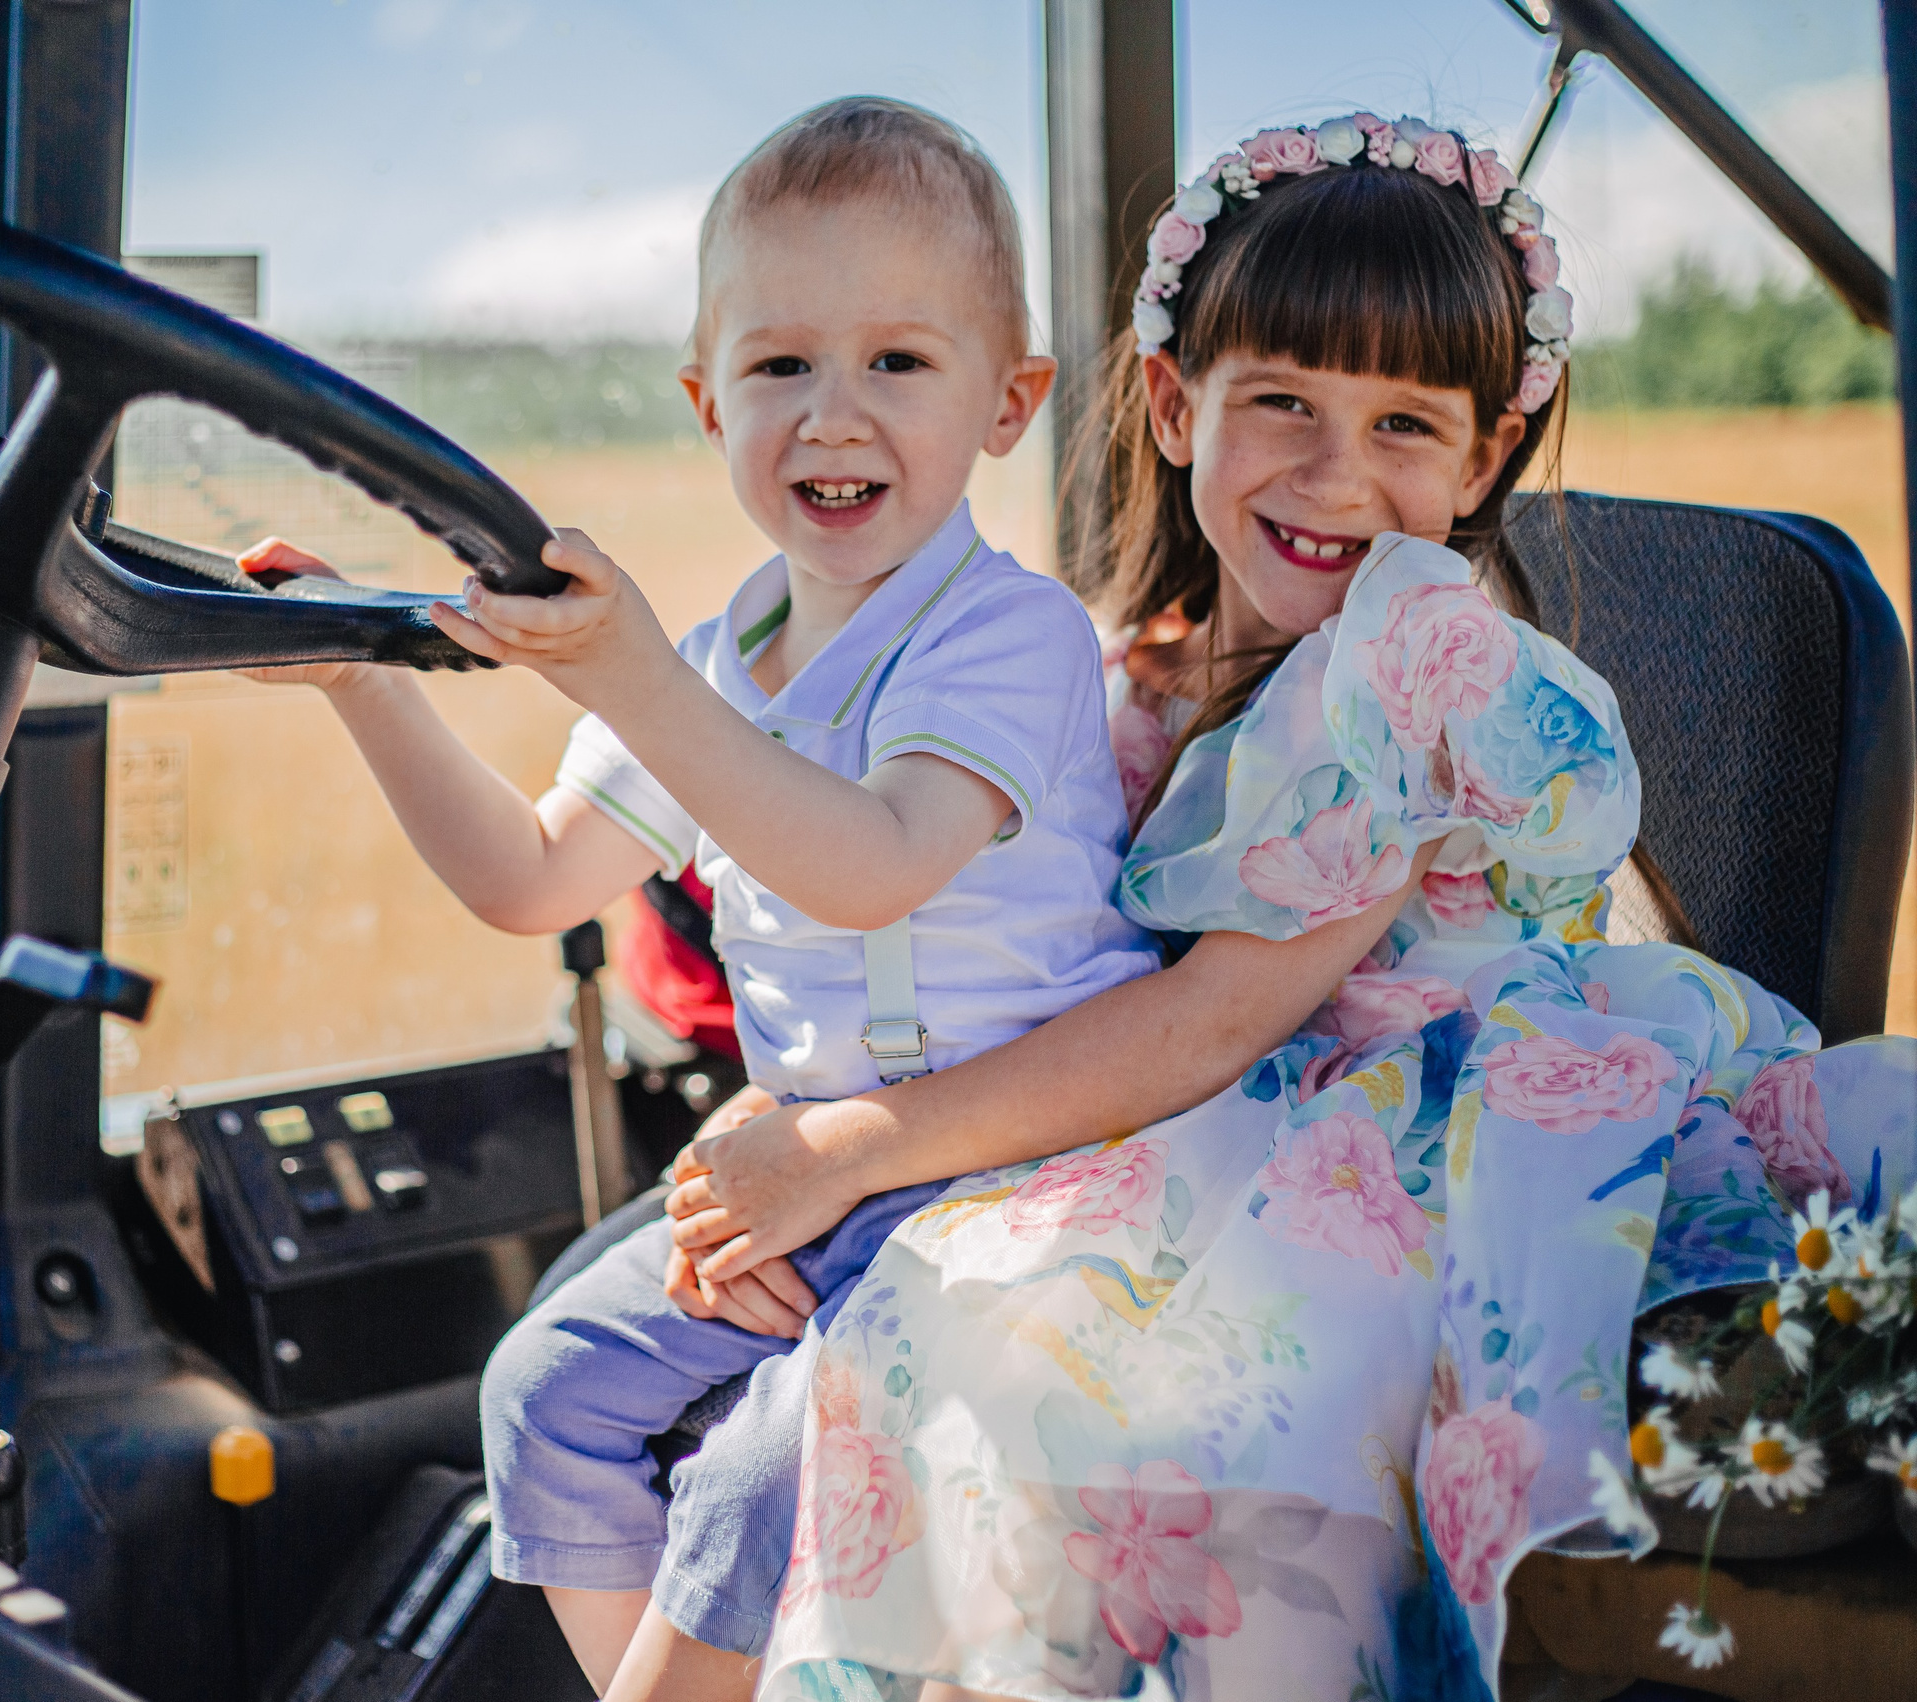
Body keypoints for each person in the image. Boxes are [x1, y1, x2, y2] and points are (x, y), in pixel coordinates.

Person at [649, 114, 1917, 1701]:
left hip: (1429, 1133)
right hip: (1199, 1128)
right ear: (1178, 408)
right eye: (1282, 403)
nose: (1337, 473)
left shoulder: (1412, 664)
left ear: (1485, 456)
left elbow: (1213, 1013)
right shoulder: (1124, 674)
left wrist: (853, 1147)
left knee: (1093, 1402)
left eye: (1404, 423)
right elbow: (1017, 953)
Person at [234, 97, 1157, 1694]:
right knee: (543, 1392)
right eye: (782, 365)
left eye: (899, 362)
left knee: (749, 1486)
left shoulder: (1009, 642)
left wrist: (643, 682)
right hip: (812, 1177)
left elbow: (867, 865)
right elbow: (530, 878)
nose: (834, 416)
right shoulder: (726, 667)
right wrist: (357, 678)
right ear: (705, 398)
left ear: (1010, 404)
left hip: (1021, 1176)